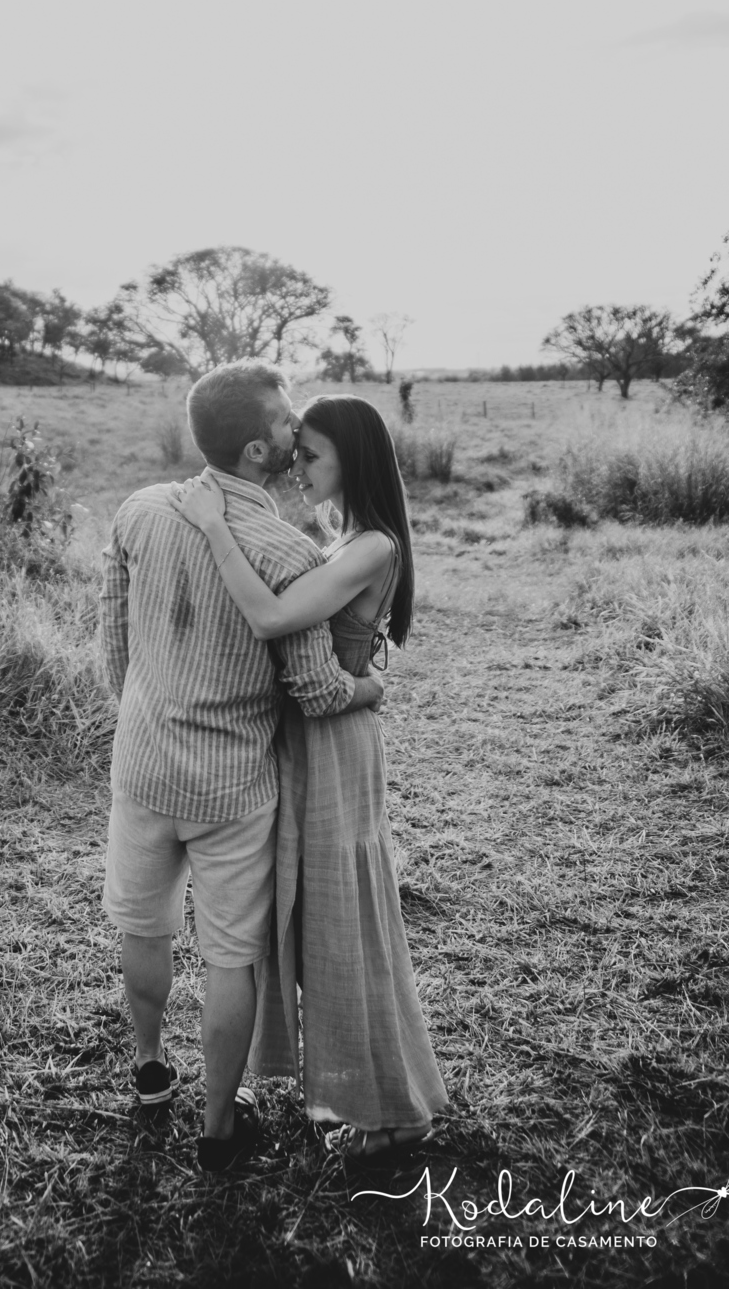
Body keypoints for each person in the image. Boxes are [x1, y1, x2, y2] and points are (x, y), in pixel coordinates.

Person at [99, 362, 384, 1174]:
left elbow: (113, 651)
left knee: (144, 924)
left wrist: (151, 710)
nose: (302, 432)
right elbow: (319, 690)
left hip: (144, 765)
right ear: (260, 451)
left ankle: (150, 1067)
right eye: (291, 422)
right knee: (230, 956)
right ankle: (218, 1126)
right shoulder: (290, 555)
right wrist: (373, 685)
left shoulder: (139, 512)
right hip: (232, 788)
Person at [175, 393, 447, 1162]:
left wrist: (212, 527)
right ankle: (341, 1088)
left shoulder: (374, 547)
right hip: (304, 740)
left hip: (334, 746)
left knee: (342, 919)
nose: (300, 466)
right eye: (298, 452)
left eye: (314, 455)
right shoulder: (342, 536)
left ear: (351, 460)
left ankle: (389, 1110)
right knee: (303, 914)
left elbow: (270, 618)